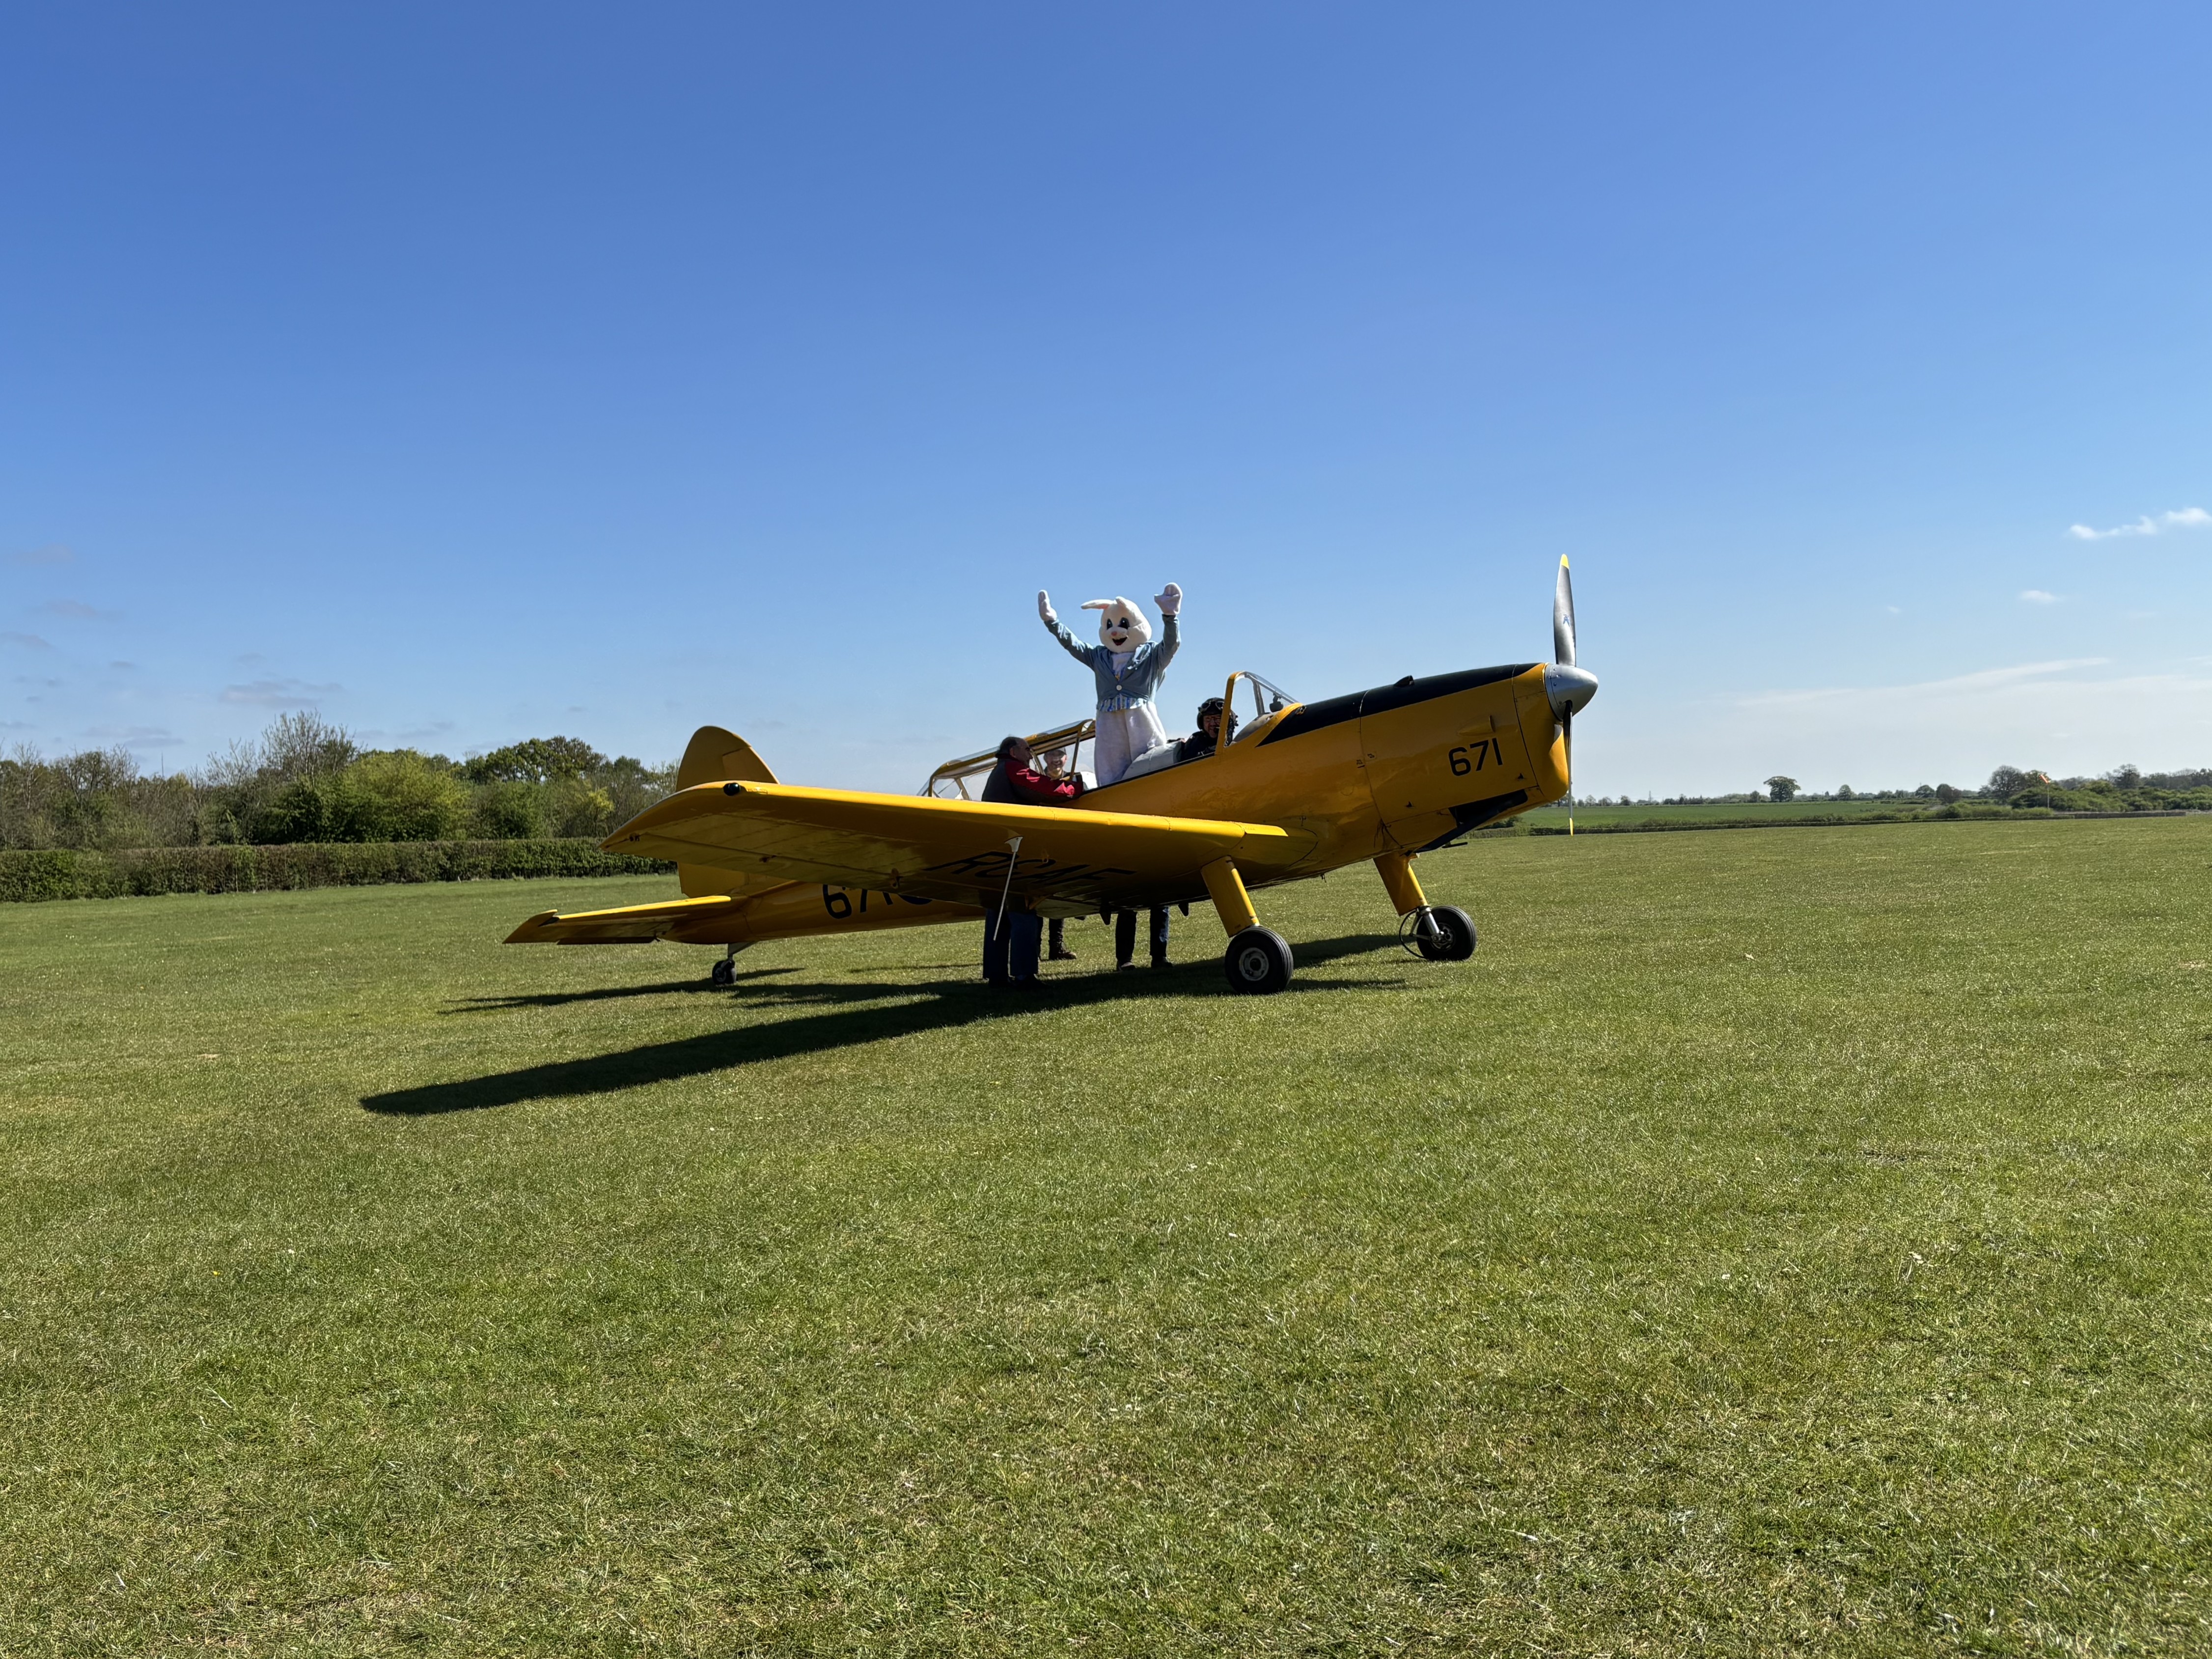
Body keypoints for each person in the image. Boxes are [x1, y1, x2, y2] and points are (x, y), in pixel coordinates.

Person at [1035, 584, 1182, 784]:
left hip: (1140, 720)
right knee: (1111, 767)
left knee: (1150, 760)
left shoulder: (1151, 655)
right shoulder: (1099, 657)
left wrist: (1170, 617)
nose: (1115, 632)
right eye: (1110, 625)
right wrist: (1053, 622)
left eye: (1123, 624)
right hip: (1108, 722)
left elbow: (1171, 645)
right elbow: (1073, 645)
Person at [978, 735, 1081, 987]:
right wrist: (1076, 789)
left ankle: (996, 975)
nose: (1029, 754)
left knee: (998, 915)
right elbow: (1044, 788)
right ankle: (1025, 975)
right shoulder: (1014, 769)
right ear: (1014, 752)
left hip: (996, 855)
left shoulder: (998, 772)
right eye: (1026, 750)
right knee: (1024, 911)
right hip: (1016, 854)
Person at [1039, 749, 1079, 961]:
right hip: (1043, 844)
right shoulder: (1038, 780)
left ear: (1066, 758)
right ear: (1045, 759)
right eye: (1051, 755)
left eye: (1060, 755)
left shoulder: (1077, 779)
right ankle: (1034, 950)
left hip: (1066, 843)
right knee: (1038, 898)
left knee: (1058, 895)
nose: (1056, 759)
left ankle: (1056, 947)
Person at [1176, 696, 1238, 763]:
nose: (1213, 723)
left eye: (1218, 718)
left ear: (1228, 722)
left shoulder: (1237, 747)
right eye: (1208, 719)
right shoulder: (1196, 742)